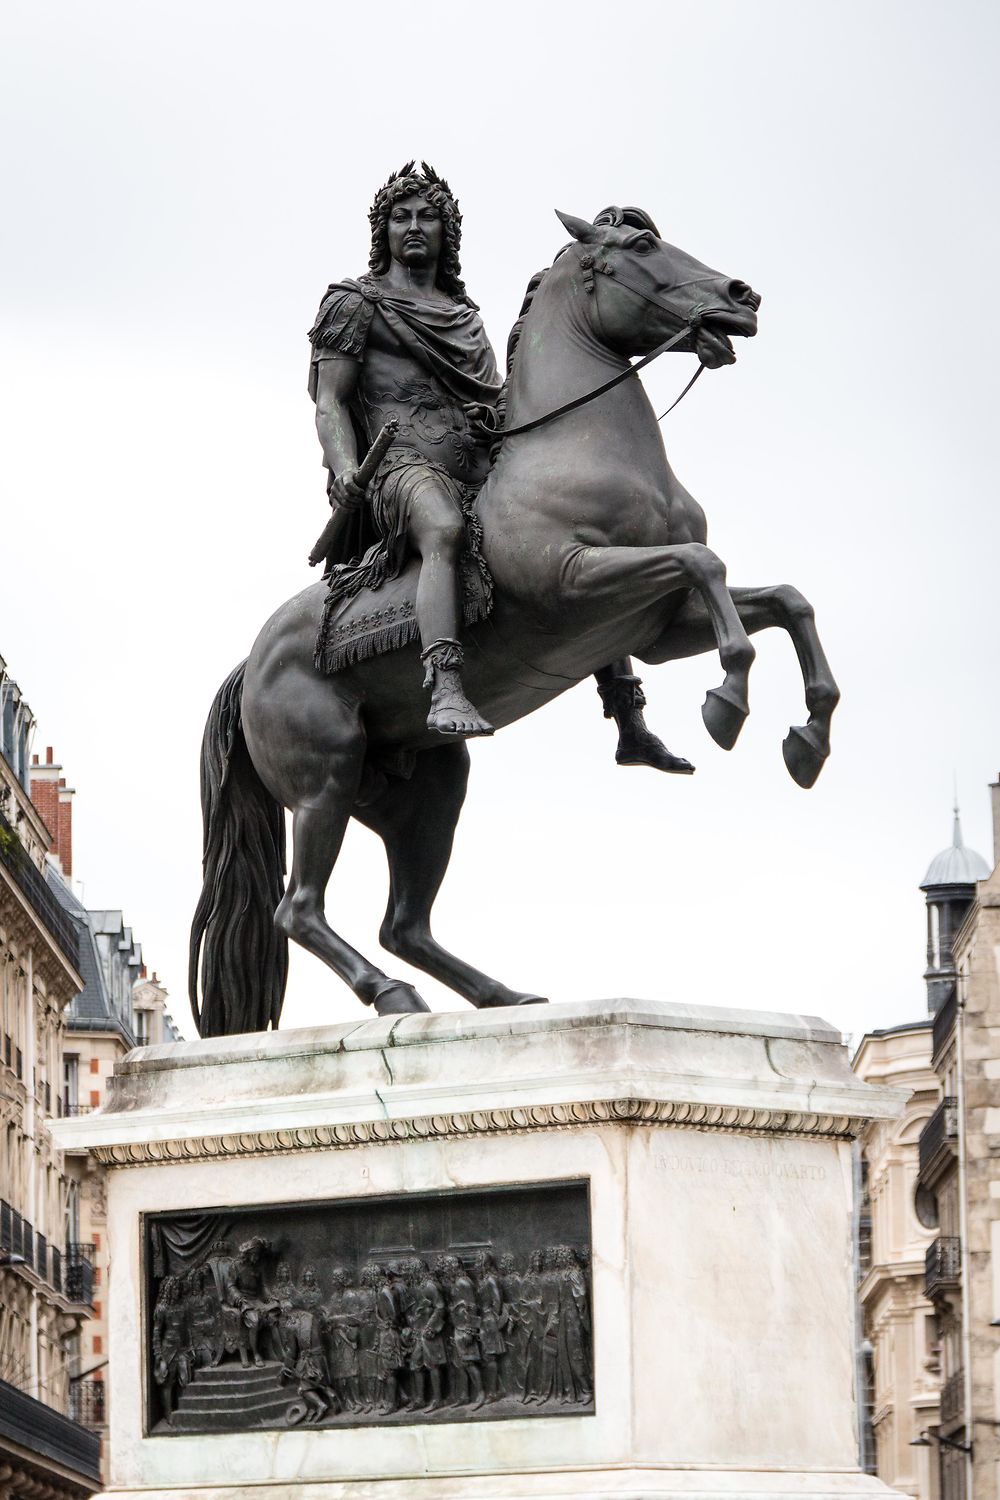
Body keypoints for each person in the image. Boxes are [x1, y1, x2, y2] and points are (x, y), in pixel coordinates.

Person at [308, 163, 689, 770]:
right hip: (399, 463)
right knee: (445, 530)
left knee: (573, 528)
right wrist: (347, 466)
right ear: (383, 230)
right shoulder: (355, 303)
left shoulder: (462, 315)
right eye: (400, 216)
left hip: (473, 454)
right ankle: (446, 682)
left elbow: (486, 394)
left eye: (426, 216)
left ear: (446, 231)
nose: (413, 227)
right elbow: (329, 402)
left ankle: (628, 718)